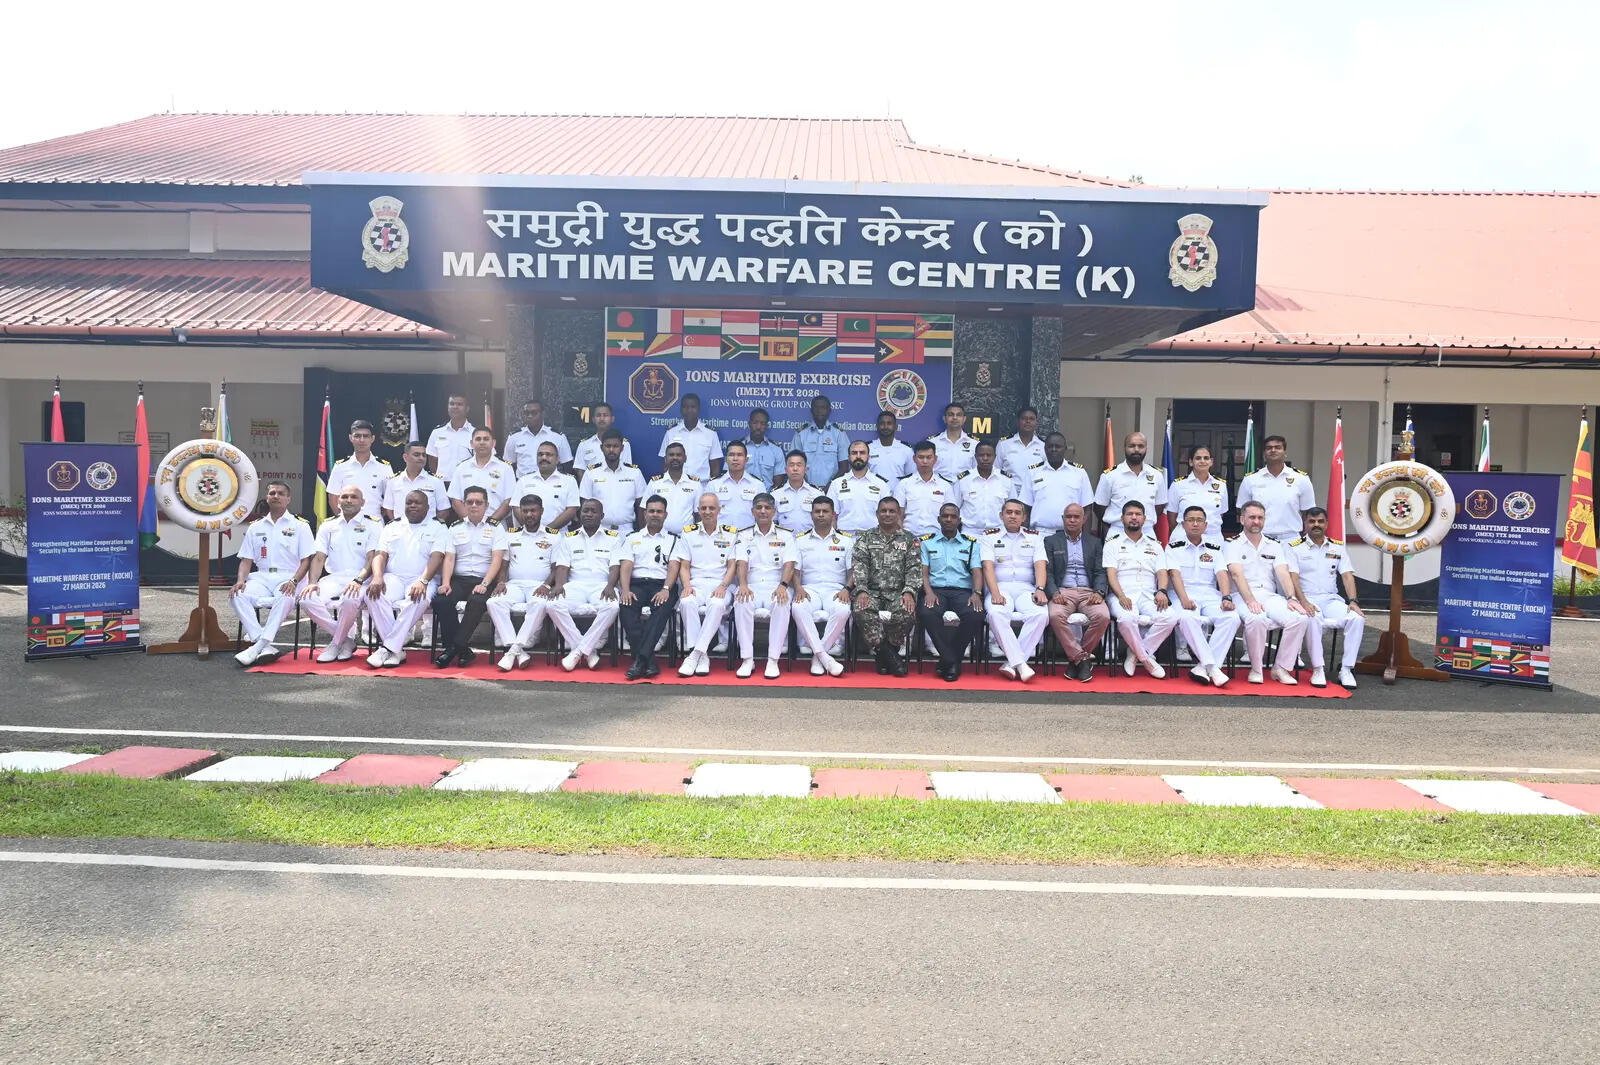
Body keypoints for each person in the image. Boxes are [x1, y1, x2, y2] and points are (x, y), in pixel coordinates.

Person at [230, 480, 316, 667]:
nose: (276, 496)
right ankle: (264, 645)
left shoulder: (300, 526)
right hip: (262, 576)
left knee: (284, 596)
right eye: (272, 493)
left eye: (280, 493)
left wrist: (294, 581)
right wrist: (240, 580)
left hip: (289, 576)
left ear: (288, 499)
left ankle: (258, 646)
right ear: (267, 497)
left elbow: (306, 560)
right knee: (237, 594)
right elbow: (246, 560)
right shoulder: (255, 527)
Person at [1225, 499, 1310, 684]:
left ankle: (1281, 668)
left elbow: (1283, 572)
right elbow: (1236, 574)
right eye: (1252, 517)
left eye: (1260, 518)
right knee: (1256, 619)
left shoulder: (1274, 545)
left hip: (1269, 595)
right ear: (1242, 519)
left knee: (1300, 618)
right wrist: (1250, 600)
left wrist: (1291, 597)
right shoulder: (1232, 544)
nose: (1256, 521)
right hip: (1241, 596)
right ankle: (1256, 669)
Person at [365, 489, 448, 668]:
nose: (412, 505)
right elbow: (380, 554)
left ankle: (387, 648)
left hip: (422, 578)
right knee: (372, 594)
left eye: (417, 502)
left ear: (428, 507)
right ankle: (396, 649)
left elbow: (437, 556)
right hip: (394, 577)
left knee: (418, 599)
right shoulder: (392, 526)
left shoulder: (438, 527)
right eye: (409, 502)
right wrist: (377, 577)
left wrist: (423, 580)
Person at [1287, 507, 1364, 689]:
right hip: (1307, 598)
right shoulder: (1294, 547)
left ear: (1326, 524)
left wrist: (1353, 601)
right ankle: (1318, 668)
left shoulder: (1337, 547)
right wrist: (1304, 602)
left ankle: (1346, 669)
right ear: (1305, 524)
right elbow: (1293, 578)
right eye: (1312, 521)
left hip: (1331, 599)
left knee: (1357, 618)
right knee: (1312, 617)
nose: (1316, 525)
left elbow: (1347, 575)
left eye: (1320, 521)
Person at [300, 485, 378, 663]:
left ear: (363, 502)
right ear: (338, 501)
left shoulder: (373, 525)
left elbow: (371, 558)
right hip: (334, 578)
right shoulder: (328, 525)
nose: (348, 500)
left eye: (354, 497)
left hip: (361, 579)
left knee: (350, 600)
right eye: (344, 497)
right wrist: (312, 582)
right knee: (306, 599)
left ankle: (336, 643)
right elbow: (319, 557)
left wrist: (358, 580)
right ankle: (346, 640)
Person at [432, 486, 507, 668]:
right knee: (441, 600)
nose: (474, 505)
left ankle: (452, 649)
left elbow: (497, 559)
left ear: (486, 505)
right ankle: (463, 650)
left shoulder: (496, 528)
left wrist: (485, 584)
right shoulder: (455, 527)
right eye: (470, 502)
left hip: (484, 579)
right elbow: (449, 558)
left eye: (478, 502)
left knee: (477, 601)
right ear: (464, 504)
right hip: (460, 579)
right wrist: (446, 583)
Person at [1165, 504, 1239, 688]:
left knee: (1231, 618)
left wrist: (1226, 597)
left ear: (1206, 525)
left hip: (1209, 594)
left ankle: (1202, 667)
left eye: (1199, 520)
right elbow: (1174, 574)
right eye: (1190, 520)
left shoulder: (1214, 548)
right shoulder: (1173, 547)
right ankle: (1213, 668)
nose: (1195, 524)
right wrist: (1184, 599)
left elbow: (1222, 573)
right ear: (1183, 524)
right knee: (1187, 617)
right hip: (1183, 593)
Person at [547, 498, 623, 671]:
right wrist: (559, 585)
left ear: (602, 515)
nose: (588, 514)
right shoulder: (569, 538)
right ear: (579, 514)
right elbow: (562, 566)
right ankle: (587, 651)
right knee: (552, 604)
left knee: (612, 607)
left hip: (601, 586)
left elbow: (615, 567)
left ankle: (577, 651)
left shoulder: (613, 538)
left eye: (593, 511)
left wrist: (610, 585)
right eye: (585, 511)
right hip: (576, 585)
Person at [1104, 501, 1177, 678]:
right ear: (1122, 518)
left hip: (1149, 594)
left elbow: (1162, 572)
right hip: (1122, 593)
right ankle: (1147, 660)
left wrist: (1162, 591)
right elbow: (1111, 574)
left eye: (1138, 514)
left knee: (1170, 617)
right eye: (1130, 514)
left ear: (1144, 519)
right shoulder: (1112, 544)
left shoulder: (1155, 545)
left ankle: (1136, 654)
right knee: (1126, 618)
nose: (1134, 517)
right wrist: (1121, 595)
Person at [850, 497, 921, 676]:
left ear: (899, 514)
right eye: (883, 511)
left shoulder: (909, 539)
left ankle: (886, 653)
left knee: (907, 611)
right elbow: (859, 566)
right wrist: (862, 590)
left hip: (898, 593)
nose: (887, 514)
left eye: (891, 511)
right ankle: (888, 654)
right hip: (872, 592)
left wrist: (909, 592)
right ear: (877, 514)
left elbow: (914, 568)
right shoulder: (866, 538)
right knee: (861, 608)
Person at [488, 495, 559, 672]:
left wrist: (547, 585)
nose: (529, 515)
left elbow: (556, 568)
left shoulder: (554, 536)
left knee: (540, 603)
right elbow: (504, 564)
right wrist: (501, 582)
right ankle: (518, 650)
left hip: (539, 585)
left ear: (541, 511)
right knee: (493, 602)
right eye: (525, 511)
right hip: (515, 585)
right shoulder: (511, 535)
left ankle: (512, 651)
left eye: (533, 511)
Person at [672, 493, 740, 677]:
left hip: (721, 584)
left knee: (717, 604)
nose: (707, 512)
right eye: (703, 508)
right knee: (686, 601)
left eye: (711, 508)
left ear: (719, 510)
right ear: (698, 510)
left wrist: (723, 586)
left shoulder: (731, 533)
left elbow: (732, 565)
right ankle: (702, 656)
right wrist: (686, 585)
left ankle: (694, 655)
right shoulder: (688, 533)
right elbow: (684, 566)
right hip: (696, 583)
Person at [979, 499, 1047, 683]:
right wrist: (994, 593)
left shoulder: (1035, 537)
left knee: (1041, 614)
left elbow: (1040, 565)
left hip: (1026, 588)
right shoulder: (989, 537)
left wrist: (1040, 589)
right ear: (1001, 515)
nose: (1013, 516)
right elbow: (987, 567)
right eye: (1008, 512)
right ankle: (1022, 664)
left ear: (1024, 517)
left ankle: (1012, 663)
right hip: (1000, 588)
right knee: (995, 613)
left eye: (1017, 513)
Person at [1043, 503, 1110, 683]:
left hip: (1089, 592)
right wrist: (1054, 592)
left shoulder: (1094, 542)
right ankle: (1082, 659)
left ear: (1084, 519)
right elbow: (1047, 572)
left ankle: (1077, 660)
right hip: (1063, 592)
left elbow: (1100, 571)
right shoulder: (1051, 541)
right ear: (1063, 519)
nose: (1072, 520)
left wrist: (1099, 592)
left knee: (1103, 616)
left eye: (1076, 517)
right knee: (1055, 615)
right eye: (1068, 516)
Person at [732, 493, 797, 678]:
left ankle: (773, 660)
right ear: (752, 511)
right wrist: (742, 584)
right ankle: (747, 659)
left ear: (774, 511)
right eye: (759, 508)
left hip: (776, 585)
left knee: (782, 602)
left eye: (767, 508)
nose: (763, 511)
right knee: (741, 600)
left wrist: (783, 585)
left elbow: (790, 564)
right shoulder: (743, 535)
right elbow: (741, 562)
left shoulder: (786, 535)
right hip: (751, 584)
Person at [917, 502, 984, 683]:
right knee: (926, 612)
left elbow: (977, 571)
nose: (948, 519)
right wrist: (928, 592)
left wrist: (976, 593)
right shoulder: (927, 543)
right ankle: (952, 660)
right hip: (936, 590)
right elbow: (923, 573)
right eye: (945, 516)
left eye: (953, 516)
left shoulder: (971, 544)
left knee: (975, 614)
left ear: (959, 520)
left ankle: (947, 659)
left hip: (962, 591)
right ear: (938, 519)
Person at [617, 494, 680, 680]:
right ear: (644, 514)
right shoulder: (632, 538)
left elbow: (673, 567)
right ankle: (648, 661)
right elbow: (626, 565)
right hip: (636, 584)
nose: (655, 515)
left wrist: (666, 589)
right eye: (651, 511)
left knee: (660, 612)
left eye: (659, 511)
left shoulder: (674, 540)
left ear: (665, 515)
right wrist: (625, 590)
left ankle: (640, 661)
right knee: (626, 608)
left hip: (662, 585)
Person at [790, 495, 851, 677]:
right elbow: (795, 570)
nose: (821, 515)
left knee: (843, 610)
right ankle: (824, 657)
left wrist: (847, 589)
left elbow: (853, 571)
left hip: (836, 590)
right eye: (817, 511)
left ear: (833, 515)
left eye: (825, 511)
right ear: (811, 514)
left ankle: (818, 656)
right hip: (809, 589)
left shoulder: (846, 540)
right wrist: (798, 588)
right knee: (798, 607)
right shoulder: (800, 540)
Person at [1238, 434, 1318, 543]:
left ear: (1285, 452)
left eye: (1278, 447)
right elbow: (1242, 511)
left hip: (1291, 539)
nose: (1273, 450)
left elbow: (1308, 512)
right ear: (1264, 454)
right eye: (1269, 448)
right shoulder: (1250, 479)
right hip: (1260, 538)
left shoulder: (1301, 479)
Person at [1095, 432, 1168, 540]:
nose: (1136, 449)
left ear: (1146, 448)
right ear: (1125, 448)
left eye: (1141, 446)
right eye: (1132, 446)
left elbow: (1159, 507)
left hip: (1147, 533)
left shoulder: (1156, 475)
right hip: (1118, 533)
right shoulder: (1110, 475)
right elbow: (1099, 507)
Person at [1020, 433, 1094, 535]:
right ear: (1045, 449)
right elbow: (1025, 508)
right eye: (1050, 446)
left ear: (1065, 449)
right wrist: (1024, 536)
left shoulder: (1079, 473)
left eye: (1058, 446)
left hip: (1071, 533)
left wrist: (1085, 538)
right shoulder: (1033, 472)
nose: (1054, 449)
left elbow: (1087, 509)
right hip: (1040, 533)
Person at [578, 429, 646, 534]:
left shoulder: (635, 473)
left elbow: (641, 506)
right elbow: (584, 504)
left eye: (615, 446)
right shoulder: (591, 473)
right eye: (608, 446)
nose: (611, 450)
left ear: (622, 448)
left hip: (627, 531)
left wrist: (641, 533)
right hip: (599, 531)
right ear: (601, 448)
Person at [324, 420, 391, 520]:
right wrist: (345, 518)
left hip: (374, 523)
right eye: (357, 436)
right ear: (351, 438)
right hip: (347, 522)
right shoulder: (340, 466)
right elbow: (333, 498)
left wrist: (375, 518)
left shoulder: (384, 467)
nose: (361, 440)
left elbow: (389, 499)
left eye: (366, 436)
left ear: (372, 438)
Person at [449, 428, 516, 523]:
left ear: (493, 443)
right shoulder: (461, 468)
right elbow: (455, 500)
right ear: (471, 443)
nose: (482, 442)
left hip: (496, 525)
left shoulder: (506, 468)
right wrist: (470, 521)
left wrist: (490, 523)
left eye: (486, 439)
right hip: (466, 525)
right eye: (478, 439)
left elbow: (509, 500)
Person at [955, 440, 1018, 539]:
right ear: (975, 457)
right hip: (970, 533)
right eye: (981, 455)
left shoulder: (1006, 480)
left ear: (995, 457)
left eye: (989, 455)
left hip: (998, 533)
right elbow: (954, 508)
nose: (985, 458)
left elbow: (1014, 508)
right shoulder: (964, 480)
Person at [511, 442, 579, 531]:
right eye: (540, 454)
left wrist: (547, 531)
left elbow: (571, 510)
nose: (544, 457)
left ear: (557, 459)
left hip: (559, 535)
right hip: (528, 534)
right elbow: (515, 507)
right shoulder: (523, 480)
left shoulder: (569, 481)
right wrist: (532, 529)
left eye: (548, 454)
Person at [827, 441, 892, 534]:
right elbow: (831, 517)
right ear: (848, 457)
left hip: (872, 537)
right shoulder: (836, 484)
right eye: (854, 453)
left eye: (862, 453)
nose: (858, 456)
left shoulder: (881, 484)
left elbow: (887, 516)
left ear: (868, 457)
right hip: (844, 537)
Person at [1166, 445, 1229, 541]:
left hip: (1213, 538)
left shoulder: (1221, 485)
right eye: (1198, 458)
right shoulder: (1178, 485)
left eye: (1206, 458)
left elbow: (1220, 514)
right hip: (1184, 538)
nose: (1202, 461)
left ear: (1211, 462)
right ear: (1191, 462)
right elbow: (1172, 517)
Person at [895, 441, 955, 537]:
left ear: (935, 459)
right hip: (910, 537)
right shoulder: (904, 484)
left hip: (937, 538)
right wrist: (903, 537)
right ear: (914, 459)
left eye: (929, 457)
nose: (925, 461)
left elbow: (951, 516)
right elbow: (898, 515)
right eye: (921, 457)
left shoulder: (945, 486)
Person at [659, 393, 723, 481]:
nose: (689, 410)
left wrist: (711, 486)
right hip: (676, 484)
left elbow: (715, 466)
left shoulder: (710, 434)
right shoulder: (671, 433)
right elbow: (665, 463)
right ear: (681, 409)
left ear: (698, 409)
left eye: (693, 407)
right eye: (685, 407)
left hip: (702, 485)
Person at [383, 441, 450, 522]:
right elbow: (389, 509)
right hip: (401, 528)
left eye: (424, 455)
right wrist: (399, 526)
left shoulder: (436, 481)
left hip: (428, 528)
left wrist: (432, 526)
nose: (421, 458)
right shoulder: (393, 481)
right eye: (416, 455)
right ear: (405, 457)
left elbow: (444, 510)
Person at [503, 399, 571, 477]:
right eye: (526, 413)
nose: (530, 416)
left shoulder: (557, 437)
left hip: (550, 482)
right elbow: (508, 465)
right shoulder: (514, 437)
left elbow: (567, 465)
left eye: (534, 413)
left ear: (543, 414)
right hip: (523, 482)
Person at [790, 394, 849, 482]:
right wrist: (808, 486)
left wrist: (831, 486)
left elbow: (844, 467)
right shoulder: (801, 434)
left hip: (833, 487)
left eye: (823, 407)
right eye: (816, 407)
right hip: (806, 487)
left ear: (829, 411)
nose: (819, 411)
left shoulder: (839, 434)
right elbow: (794, 464)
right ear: (811, 410)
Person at [643, 442, 702, 530]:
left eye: (679, 455)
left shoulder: (695, 484)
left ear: (685, 458)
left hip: (686, 535)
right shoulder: (654, 483)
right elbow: (644, 510)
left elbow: (699, 514)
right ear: (665, 459)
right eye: (671, 455)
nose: (675, 458)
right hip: (660, 535)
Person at [706, 440, 763, 530]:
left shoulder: (758, 485)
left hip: (748, 535)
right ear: (726, 459)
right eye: (731, 455)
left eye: (739, 455)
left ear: (746, 460)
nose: (735, 458)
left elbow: (763, 516)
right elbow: (706, 514)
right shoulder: (713, 484)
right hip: (721, 535)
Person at [425, 393, 475, 487]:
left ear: (467, 408)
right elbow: (432, 461)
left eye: (459, 404)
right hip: (442, 484)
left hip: (467, 484)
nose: (455, 407)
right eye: (452, 404)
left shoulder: (475, 433)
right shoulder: (437, 432)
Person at [572, 402, 633, 471]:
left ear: (612, 419)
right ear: (593, 419)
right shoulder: (584, 445)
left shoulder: (624, 444)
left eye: (605, 415)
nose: (602, 419)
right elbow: (580, 469)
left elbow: (627, 469)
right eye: (598, 415)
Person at [734, 408, 786, 487]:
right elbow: (729, 474)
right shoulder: (737, 448)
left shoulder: (776, 450)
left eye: (762, 423)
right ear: (749, 424)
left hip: (767, 494)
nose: (758, 427)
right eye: (755, 423)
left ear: (767, 426)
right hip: (741, 493)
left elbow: (778, 483)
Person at [771, 451, 821, 531]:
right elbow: (772, 522)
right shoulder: (775, 494)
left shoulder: (817, 494)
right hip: (784, 538)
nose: (795, 469)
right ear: (786, 470)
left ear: (806, 469)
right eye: (791, 465)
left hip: (810, 538)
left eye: (799, 465)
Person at [996, 406, 1046, 482]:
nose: (1028, 421)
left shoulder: (1043, 446)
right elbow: (996, 470)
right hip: (1010, 488)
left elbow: (1046, 474)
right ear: (1018, 421)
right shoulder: (1004, 444)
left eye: (1031, 419)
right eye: (1024, 418)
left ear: (1036, 422)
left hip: (1034, 488)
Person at [931, 402, 978, 478]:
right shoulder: (933, 442)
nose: (955, 417)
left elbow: (977, 470)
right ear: (944, 418)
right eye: (951, 414)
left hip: (965, 484)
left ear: (964, 419)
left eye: (959, 415)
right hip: (939, 484)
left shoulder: (974, 443)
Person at [867, 410, 915, 483]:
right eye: (882, 423)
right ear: (877, 426)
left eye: (889, 423)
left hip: (899, 490)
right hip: (874, 490)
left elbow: (911, 477)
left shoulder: (906, 450)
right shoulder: (868, 448)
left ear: (895, 427)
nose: (885, 427)